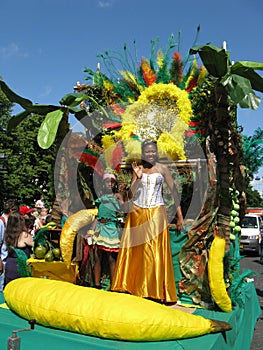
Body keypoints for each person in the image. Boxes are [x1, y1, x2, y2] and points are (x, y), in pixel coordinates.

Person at [111, 140, 184, 304]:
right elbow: (130, 194)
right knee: (138, 250)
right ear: (143, 153)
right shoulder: (139, 169)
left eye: (153, 151)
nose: (150, 154)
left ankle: (155, 290)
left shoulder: (163, 169)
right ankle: (134, 287)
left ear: (156, 152)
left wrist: (180, 217)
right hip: (138, 212)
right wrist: (137, 177)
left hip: (156, 211)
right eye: (147, 152)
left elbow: (174, 193)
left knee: (153, 250)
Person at [91, 173, 124, 289]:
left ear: (115, 184)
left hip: (111, 228)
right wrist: (91, 230)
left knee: (111, 258)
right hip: (100, 228)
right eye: (107, 182)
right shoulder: (100, 198)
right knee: (97, 257)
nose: (109, 184)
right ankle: (96, 284)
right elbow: (97, 216)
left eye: (112, 182)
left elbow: (123, 208)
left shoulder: (117, 196)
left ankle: (114, 285)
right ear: (103, 184)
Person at [3, 212, 33, 288]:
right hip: (21, 266)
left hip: (10, 264)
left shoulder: (7, 234)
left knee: (10, 289)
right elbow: (36, 245)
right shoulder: (24, 235)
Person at [0, 199, 19, 292]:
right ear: (11, 210)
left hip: (6, 262)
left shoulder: (8, 221)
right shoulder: (1, 222)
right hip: (2, 263)